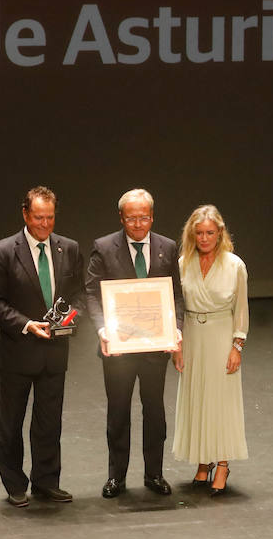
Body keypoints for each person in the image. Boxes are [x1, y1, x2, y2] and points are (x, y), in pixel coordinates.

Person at [0, 186, 84, 506]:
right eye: (38, 217)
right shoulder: (2, 251)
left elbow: (78, 293)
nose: (45, 224)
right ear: (25, 215)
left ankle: (46, 481)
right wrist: (26, 324)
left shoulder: (69, 248)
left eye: (50, 217)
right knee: (11, 422)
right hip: (18, 350)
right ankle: (14, 484)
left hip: (55, 351)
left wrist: (68, 320)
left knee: (49, 421)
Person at [85, 188, 184, 499]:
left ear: (152, 216)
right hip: (119, 348)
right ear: (121, 218)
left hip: (156, 347)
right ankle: (117, 477)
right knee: (118, 412)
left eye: (144, 217)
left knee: (155, 411)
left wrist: (176, 328)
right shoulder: (103, 247)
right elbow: (91, 293)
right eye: (132, 218)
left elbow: (176, 296)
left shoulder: (167, 247)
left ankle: (154, 474)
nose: (138, 224)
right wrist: (101, 328)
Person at [172, 204, 249, 496]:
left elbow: (241, 308)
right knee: (197, 397)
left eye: (210, 233)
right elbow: (176, 307)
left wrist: (236, 346)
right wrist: (176, 345)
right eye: (199, 233)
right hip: (192, 334)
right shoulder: (183, 263)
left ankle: (223, 463)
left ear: (220, 233)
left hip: (220, 334)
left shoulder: (234, 265)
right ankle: (203, 462)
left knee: (221, 400)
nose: (204, 238)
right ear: (192, 235)